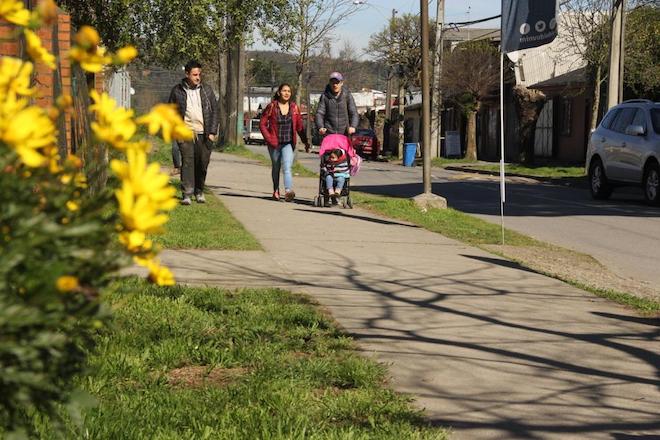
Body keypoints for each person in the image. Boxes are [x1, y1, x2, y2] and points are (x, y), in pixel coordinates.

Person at [168, 59, 218, 205]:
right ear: (187, 74)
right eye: (195, 74)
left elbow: (215, 111)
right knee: (188, 162)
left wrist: (212, 132)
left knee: (202, 163)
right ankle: (187, 194)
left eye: (199, 74)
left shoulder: (207, 90)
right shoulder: (177, 91)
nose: (197, 77)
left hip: (205, 132)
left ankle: (199, 191)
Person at [259, 83, 310, 202]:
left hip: (288, 143)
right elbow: (262, 124)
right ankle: (276, 190)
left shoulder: (294, 108)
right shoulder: (272, 106)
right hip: (274, 143)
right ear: (279, 93)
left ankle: (288, 191)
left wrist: (305, 142)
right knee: (276, 168)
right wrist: (268, 138)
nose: (287, 93)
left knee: (287, 167)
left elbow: (299, 127)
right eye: (284, 91)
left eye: (289, 91)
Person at [315, 71, 359, 138]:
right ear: (329, 83)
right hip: (329, 134)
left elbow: (354, 113)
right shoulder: (324, 97)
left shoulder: (347, 96)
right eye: (333, 82)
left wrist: (353, 126)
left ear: (341, 83)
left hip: (344, 134)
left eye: (337, 83)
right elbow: (320, 113)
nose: (335, 85)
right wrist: (320, 127)